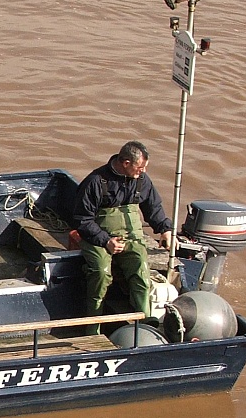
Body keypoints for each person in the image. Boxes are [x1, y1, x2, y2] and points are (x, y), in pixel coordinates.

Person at [73, 141, 173, 333]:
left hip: (130, 238)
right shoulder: (95, 181)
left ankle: (144, 324)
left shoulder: (142, 180)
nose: (142, 171)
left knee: (141, 268)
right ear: (126, 163)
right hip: (97, 239)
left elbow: (154, 207)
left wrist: (164, 229)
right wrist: (105, 241)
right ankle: (93, 327)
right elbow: (82, 220)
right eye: (139, 167)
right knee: (101, 274)